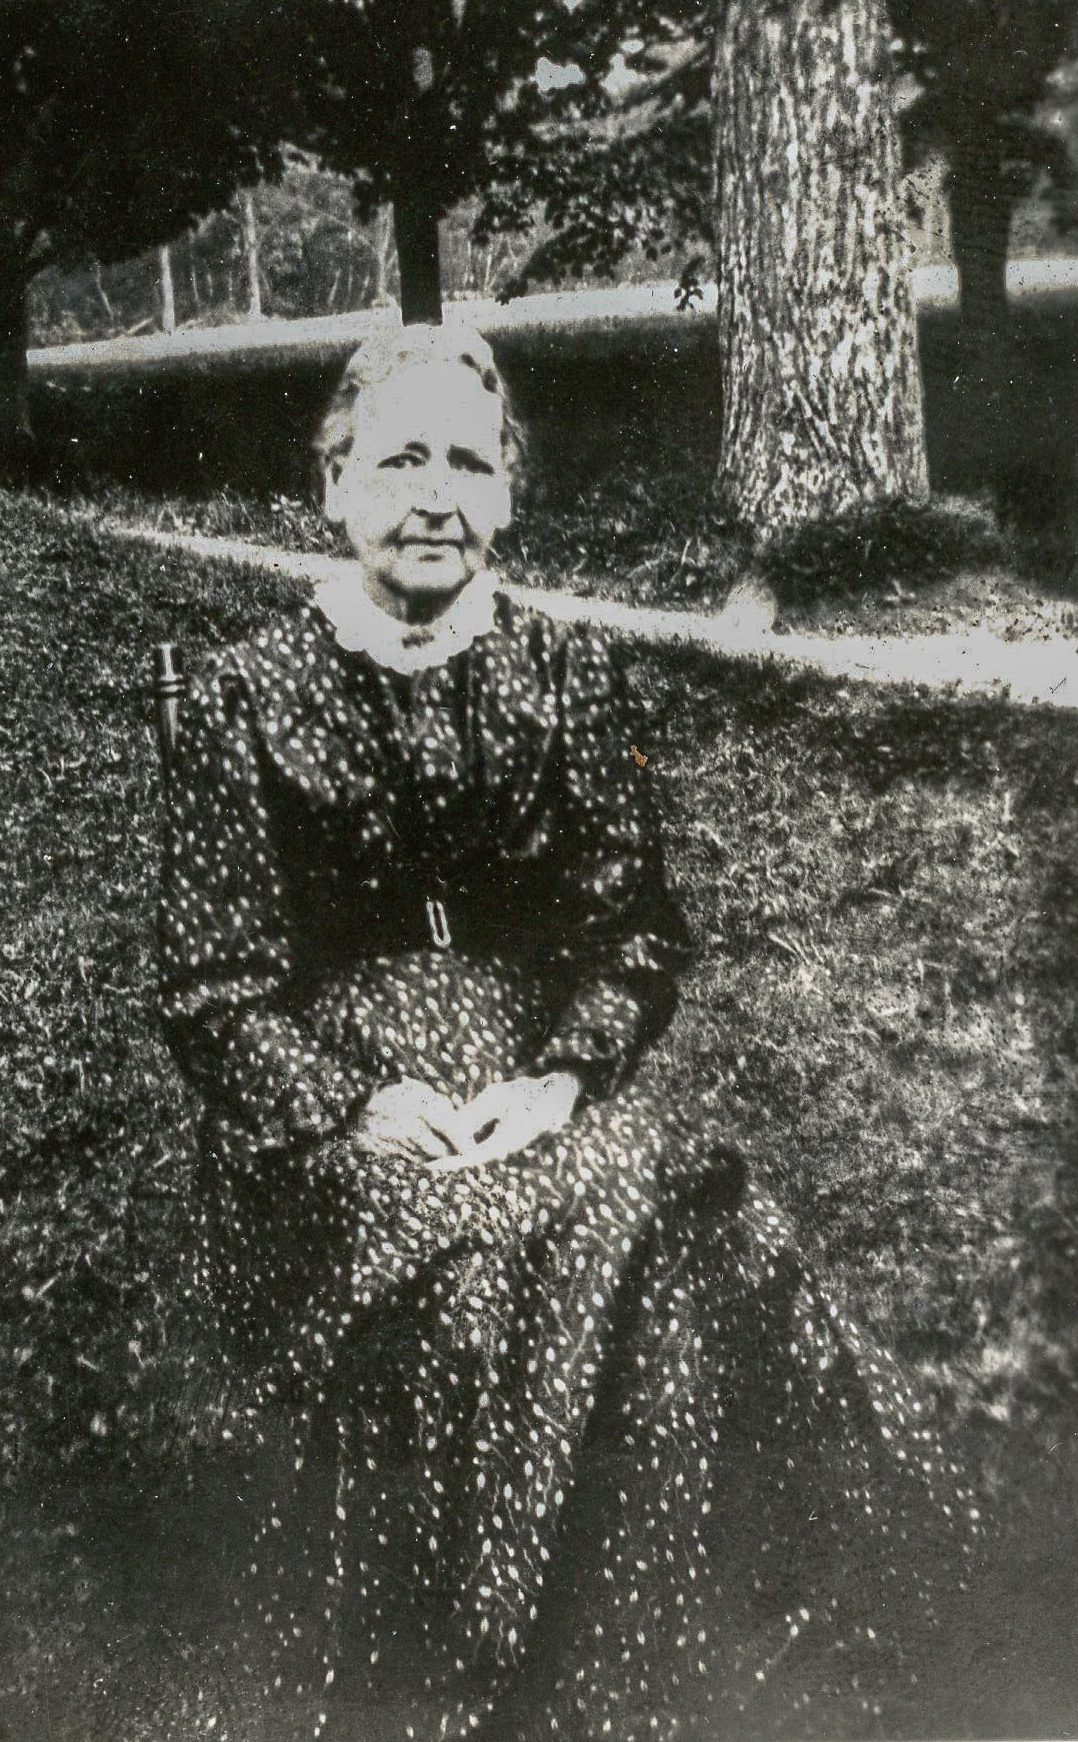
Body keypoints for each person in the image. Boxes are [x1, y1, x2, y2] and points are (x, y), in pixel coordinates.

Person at [157, 324, 981, 1741]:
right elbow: (211, 987)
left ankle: (633, 1664)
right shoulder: (242, 694)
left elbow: (630, 935)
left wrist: (561, 1075)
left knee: (667, 1212)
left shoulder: (565, 675)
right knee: (560, 1241)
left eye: (467, 464)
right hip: (331, 1115)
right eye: (398, 460)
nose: (433, 496)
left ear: (509, 496)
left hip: (525, 1079)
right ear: (334, 483)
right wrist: (352, 1103)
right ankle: (492, 1669)